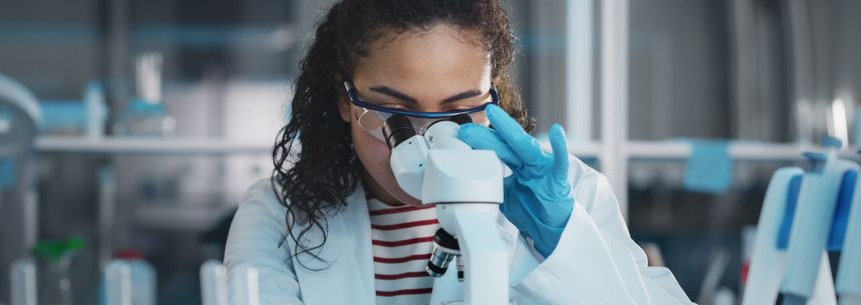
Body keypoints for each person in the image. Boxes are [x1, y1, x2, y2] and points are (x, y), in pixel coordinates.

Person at [223, 0, 693, 304]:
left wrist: (566, 244)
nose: (427, 139)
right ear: (347, 100)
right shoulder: (276, 214)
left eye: (460, 110)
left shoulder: (570, 195)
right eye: (396, 113)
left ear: (490, 97)